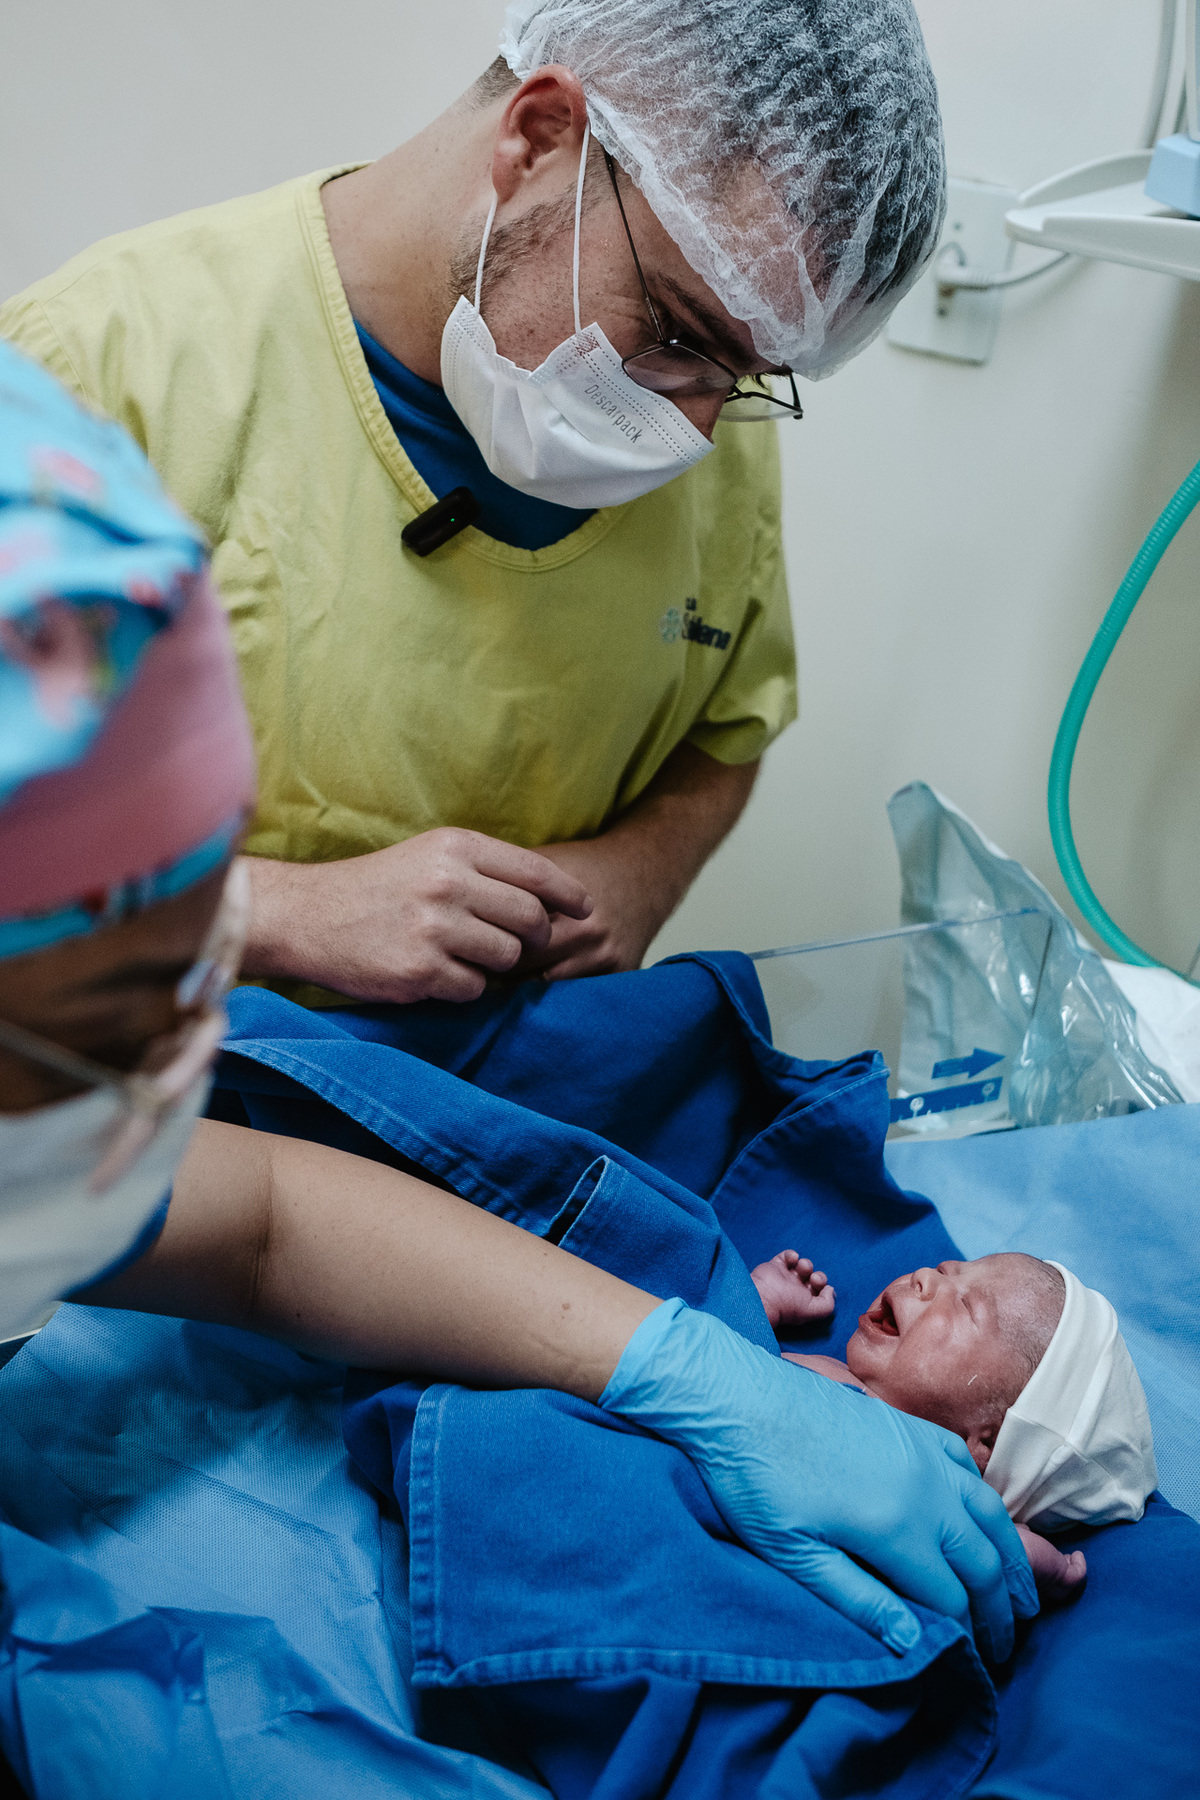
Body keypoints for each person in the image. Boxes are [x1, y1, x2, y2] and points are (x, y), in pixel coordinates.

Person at [0, 340, 1035, 1714]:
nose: (702, 410)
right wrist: (278, 913)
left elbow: (264, 1223)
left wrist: (700, 1366)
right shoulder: (110, 361)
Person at [0, 0, 946, 1009]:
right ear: (538, 137)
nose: (699, 429)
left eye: (749, 378)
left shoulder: (689, 416)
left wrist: (640, 872)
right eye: (676, 327)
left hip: (503, 1100)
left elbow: (727, 724)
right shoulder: (94, 379)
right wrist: (271, 916)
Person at [749, 1248, 1158, 1598]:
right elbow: (714, 1355)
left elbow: (984, 1547)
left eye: (966, 1307)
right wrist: (756, 1301)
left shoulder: (928, 1483)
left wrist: (1025, 1556)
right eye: (951, 1269)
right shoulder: (835, 1373)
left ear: (987, 1445)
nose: (925, 1275)